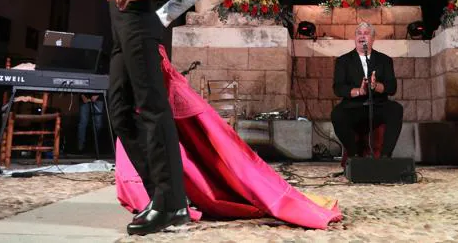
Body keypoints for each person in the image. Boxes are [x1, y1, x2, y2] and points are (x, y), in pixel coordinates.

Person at [115, 44, 343, 229]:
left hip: (140, 43)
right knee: (123, 113)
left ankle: (165, 201)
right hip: (127, 45)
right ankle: (161, 198)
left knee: (144, 119)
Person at [104, 0, 214, 236]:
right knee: (119, 110)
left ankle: (171, 204)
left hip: (137, 19)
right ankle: (163, 197)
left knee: (152, 107)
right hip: (122, 24)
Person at [331, 22, 403, 160]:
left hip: (377, 105)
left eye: (366, 33)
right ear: (354, 38)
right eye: (359, 33)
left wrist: (376, 86)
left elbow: (392, 87)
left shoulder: (385, 60)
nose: (362, 36)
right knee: (337, 114)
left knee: (396, 109)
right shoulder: (343, 61)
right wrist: (359, 91)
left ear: (373, 38)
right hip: (353, 107)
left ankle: (385, 157)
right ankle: (354, 155)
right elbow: (338, 88)